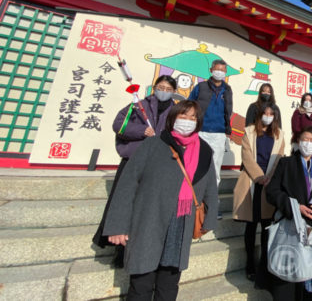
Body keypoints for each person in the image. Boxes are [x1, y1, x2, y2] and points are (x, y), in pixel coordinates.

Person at [103, 100, 218, 301]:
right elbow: (127, 184)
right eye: (183, 116)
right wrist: (117, 226)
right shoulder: (153, 144)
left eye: (193, 118)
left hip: (180, 224)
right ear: (173, 118)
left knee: (169, 284)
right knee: (141, 283)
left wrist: (208, 222)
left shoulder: (205, 151)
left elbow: (210, 188)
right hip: (149, 221)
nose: (188, 121)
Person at [93, 75, 177, 263]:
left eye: (169, 89)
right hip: (133, 160)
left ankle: (137, 248)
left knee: (143, 207)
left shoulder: (175, 110)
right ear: (154, 87)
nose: (164, 91)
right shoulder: (139, 105)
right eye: (161, 87)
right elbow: (119, 124)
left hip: (156, 162)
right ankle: (118, 250)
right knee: (123, 202)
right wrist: (141, 131)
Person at [266, 127, 312, 301]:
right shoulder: (286, 164)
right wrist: (294, 207)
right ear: (298, 142)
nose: (308, 143)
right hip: (293, 226)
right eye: (305, 139)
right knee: (292, 282)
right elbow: (272, 192)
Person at [232, 104, 285, 286]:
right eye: (265, 113)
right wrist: (259, 176)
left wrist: (270, 177)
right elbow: (246, 156)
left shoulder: (279, 134)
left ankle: (264, 263)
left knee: (266, 226)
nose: (268, 116)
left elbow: (279, 158)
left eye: (271, 114)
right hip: (252, 181)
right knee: (251, 225)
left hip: (269, 183)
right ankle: (249, 264)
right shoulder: (250, 131)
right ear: (260, 114)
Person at [188, 59, 232, 218]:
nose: (220, 72)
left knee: (215, 171)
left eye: (223, 70)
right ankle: (194, 203)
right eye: (217, 69)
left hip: (219, 133)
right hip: (200, 131)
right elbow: (189, 105)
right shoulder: (201, 87)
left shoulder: (227, 89)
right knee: (196, 166)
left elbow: (229, 110)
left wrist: (228, 129)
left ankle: (211, 206)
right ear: (211, 69)